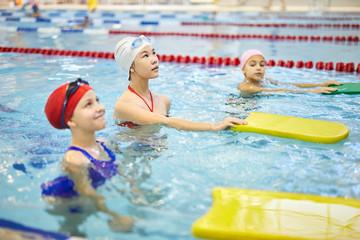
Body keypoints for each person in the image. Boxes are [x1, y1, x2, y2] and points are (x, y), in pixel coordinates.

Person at [43, 78, 134, 234]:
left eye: (97, 100)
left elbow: (119, 170)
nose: (100, 108)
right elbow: (89, 194)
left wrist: (133, 189)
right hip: (69, 202)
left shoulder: (103, 143)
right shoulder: (75, 159)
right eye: (88, 104)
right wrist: (114, 215)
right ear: (71, 120)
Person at [113, 35, 247, 131]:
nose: (154, 59)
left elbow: (179, 124)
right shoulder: (124, 105)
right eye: (145, 56)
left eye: (154, 53)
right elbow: (168, 122)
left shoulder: (164, 101)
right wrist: (214, 126)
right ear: (131, 66)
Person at [237, 49, 343, 96]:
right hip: (241, 109)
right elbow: (279, 91)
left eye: (262, 64)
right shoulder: (245, 87)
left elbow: (290, 85)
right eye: (252, 64)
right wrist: (313, 91)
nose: (258, 68)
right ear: (243, 69)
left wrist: (320, 84)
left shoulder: (265, 80)